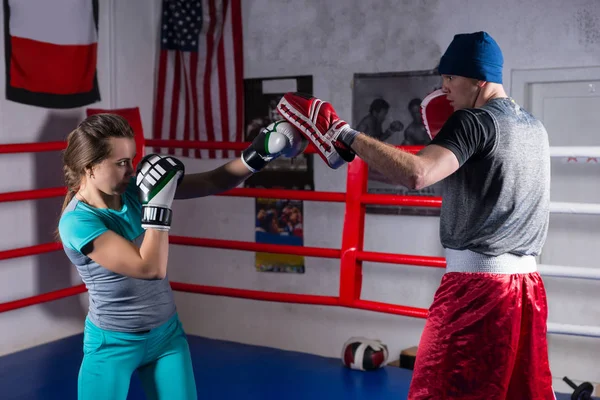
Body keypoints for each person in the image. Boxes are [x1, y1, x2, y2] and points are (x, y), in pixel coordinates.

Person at [277, 31, 554, 399]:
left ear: (478, 79)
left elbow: (417, 173)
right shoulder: (535, 128)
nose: (444, 88)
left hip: (478, 289)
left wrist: (343, 133)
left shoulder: (473, 122)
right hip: (527, 290)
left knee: (440, 390)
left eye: (451, 78)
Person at [57, 114, 305, 399]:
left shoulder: (135, 189)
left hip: (166, 338)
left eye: (133, 159)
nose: (131, 170)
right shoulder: (78, 222)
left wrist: (258, 153)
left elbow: (213, 181)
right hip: (112, 345)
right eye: (121, 163)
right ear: (90, 168)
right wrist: (158, 207)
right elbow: (150, 268)